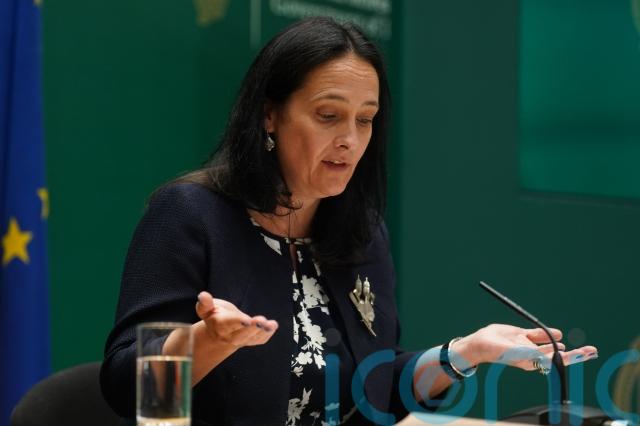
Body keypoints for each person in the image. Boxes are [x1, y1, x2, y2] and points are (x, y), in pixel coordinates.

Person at [100, 17, 597, 426]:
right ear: (269, 115)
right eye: (328, 115)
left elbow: (378, 392)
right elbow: (127, 388)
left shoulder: (361, 231)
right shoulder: (190, 214)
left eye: (365, 119)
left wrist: (466, 352)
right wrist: (204, 342)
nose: (350, 141)